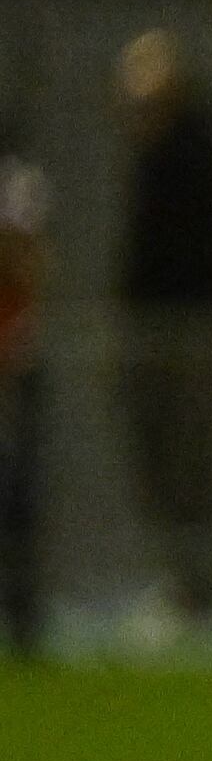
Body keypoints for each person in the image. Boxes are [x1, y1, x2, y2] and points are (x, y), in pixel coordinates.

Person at [112, 31, 212, 635]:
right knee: (163, 464)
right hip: (157, 329)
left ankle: (200, 590)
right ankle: (186, 584)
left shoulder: (192, 149)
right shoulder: (155, 151)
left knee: (191, 463)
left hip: (187, 331)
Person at [0, 144, 43, 654]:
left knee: (19, 497)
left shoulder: (19, 178)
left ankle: (23, 615)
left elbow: (30, 260)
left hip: (18, 364)